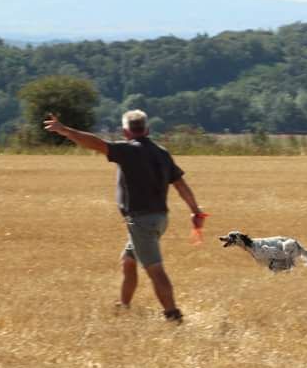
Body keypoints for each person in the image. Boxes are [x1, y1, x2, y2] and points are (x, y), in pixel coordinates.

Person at [44, 110, 205, 323]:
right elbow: (180, 184)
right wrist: (195, 210)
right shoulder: (162, 153)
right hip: (159, 218)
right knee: (128, 260)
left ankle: (172, 314)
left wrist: (64, 130)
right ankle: (124, 306)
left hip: (140, 220)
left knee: (154, 268)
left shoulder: (128, 151)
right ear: (147, 130)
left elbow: (94, 143)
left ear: (125, 131)